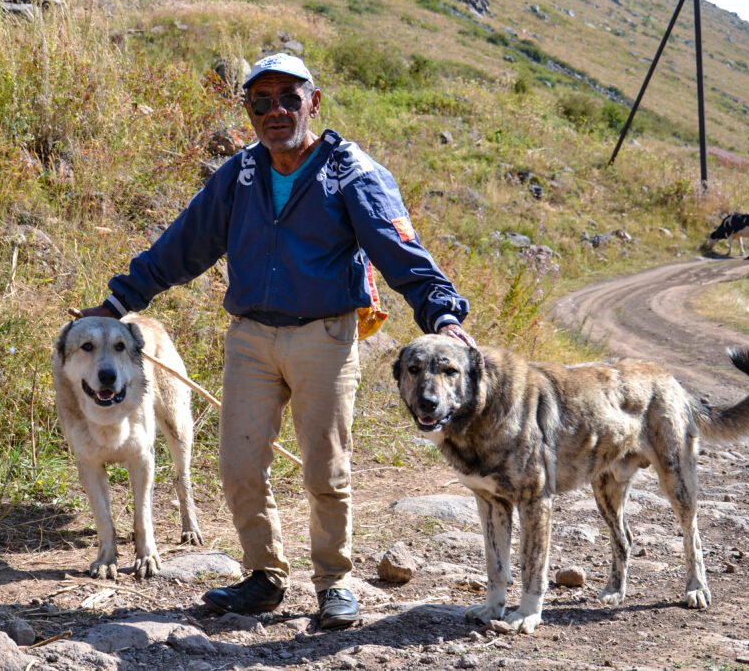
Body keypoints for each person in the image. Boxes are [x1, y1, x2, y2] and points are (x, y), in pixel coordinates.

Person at [77, 52, 476, 629]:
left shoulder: (351, 172)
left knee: (324, 468)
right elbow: (181, 246)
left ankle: (334, 582)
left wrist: (443, 314)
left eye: (289, 97)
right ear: (248, 110)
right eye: (260, 101)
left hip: (325, 336)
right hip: (251, 339)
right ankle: (264, 576)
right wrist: (117, 303)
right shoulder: (240, 175)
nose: (275, 111)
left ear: (314, 101)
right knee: (239, 463)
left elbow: (400, 251)